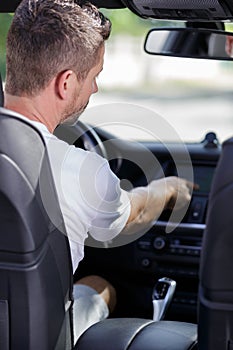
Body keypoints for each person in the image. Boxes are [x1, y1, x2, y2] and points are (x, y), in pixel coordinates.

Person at [4, 0, 194, 341]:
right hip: (34, 335)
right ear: (65, 83)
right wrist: (165, 190)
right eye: (95, 76)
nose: (95, 89)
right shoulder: (80, 170)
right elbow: (132, 215)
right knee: (100, 286)